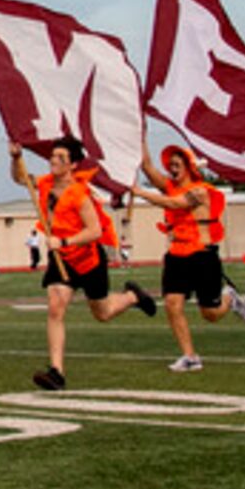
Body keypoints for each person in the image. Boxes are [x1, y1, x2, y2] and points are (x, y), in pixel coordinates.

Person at [14, 140, 156, 388]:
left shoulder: (80, 194)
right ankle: (57, 371)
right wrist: (16, 158)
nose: (53, 160)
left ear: (72, 164)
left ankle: (132, 296)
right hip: (61, 261)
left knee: (103, 313)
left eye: (60, 157)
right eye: (53, 156)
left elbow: (95, 231)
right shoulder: (46, 183)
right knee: (56, 307)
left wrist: (65, 240)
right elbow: (21, 179)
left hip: (88, 259)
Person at [131, 144, 245, 372]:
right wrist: (141, 134)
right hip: (177, 254)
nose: (172, 169)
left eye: (177, 165)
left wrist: (140, 193)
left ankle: (229, 298)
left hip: (201, 255)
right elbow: (147, 167)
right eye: (170, 165)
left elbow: (175, 203)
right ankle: (190, 356)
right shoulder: (170, 186)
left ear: (189, 167)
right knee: (173, 304)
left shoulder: (200, 190)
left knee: (210, 314)